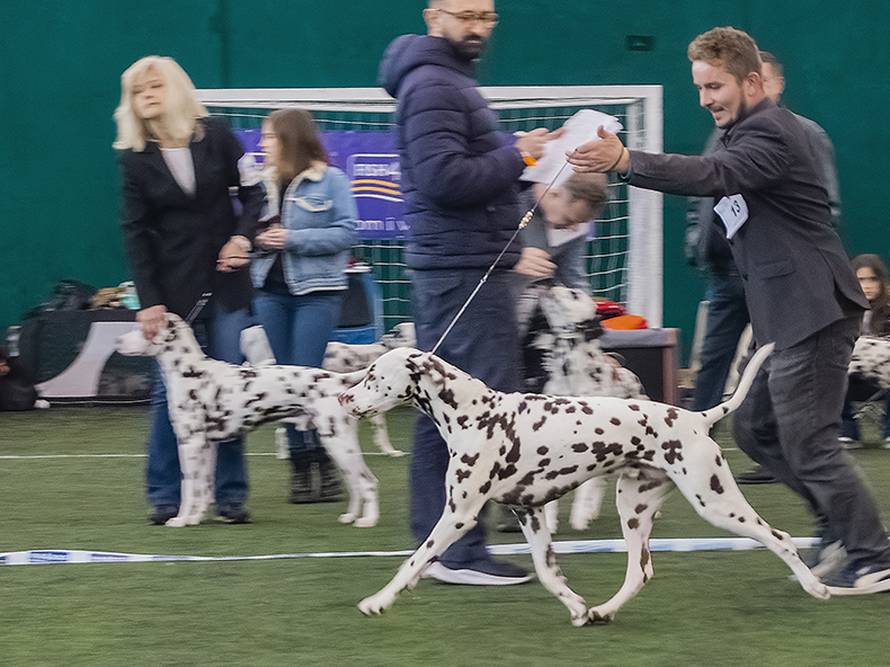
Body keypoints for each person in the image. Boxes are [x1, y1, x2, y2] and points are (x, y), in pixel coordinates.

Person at [567, 26, 890, 594]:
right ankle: (838, 529)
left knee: (810, 442)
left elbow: (713, 176)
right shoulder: (738, 131)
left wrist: (625, 160)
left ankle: (873, 555)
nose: (704, 98)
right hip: (781, 312)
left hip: (813, 309)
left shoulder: (771, 131)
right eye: (699, 87)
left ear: (753, 82)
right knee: (755, 429)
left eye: (714, 86)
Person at [378, 0, 560, 585]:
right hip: (461, 271)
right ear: (434, 15)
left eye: (487, 17)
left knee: (445, 408)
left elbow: (462, 169)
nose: (479, 27)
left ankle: (444, 547)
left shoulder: (444, 80)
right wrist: (518, 154)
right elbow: (445, 178)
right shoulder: (434, 84)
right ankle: (456, 552)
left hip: (460, 266)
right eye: (467, 15)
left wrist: (517, 154)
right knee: (478, 413)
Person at [116, 55, 263, 525]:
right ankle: (165, 494)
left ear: (176, 89)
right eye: (139, 91)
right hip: (171, 292)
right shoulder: (134, 159)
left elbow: (255, 193)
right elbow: (135, 233)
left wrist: (242, 238)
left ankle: (230, 495)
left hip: (227, 282)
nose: (147, 96)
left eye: (155, 86)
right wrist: (149, 301)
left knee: (231, 387)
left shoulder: (217, 135)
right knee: (169, 393)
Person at [684, 50, 842, 484]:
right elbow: (701, 189)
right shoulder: (723, 134)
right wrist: (697, 241)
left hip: (777, 279)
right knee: (713, 362)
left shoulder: (805, 133)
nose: (708, 98)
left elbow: (825, 206)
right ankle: (691, 447)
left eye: (715, 86)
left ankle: (776, 451)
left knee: (775, 368)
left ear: (771, 84)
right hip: (726, 273)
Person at [251, 108, 357, 503]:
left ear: (289, 140)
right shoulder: (260, 184)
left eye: (269, 137)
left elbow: (347, 233)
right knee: (282, 382)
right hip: (270, 293)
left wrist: (292, 238)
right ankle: (299, 466)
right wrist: (256, 239)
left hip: (318, 293)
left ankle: (324, 464)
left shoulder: (331, 180)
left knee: (308, 378)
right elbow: (246, 231)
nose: (262, 144)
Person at [840, 254, 890, 448]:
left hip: (884, 378)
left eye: (872, 279)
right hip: (851, 378)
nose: (867, 285)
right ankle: (847, 431)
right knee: (831, 368)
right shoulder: (841, 309)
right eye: (861, 280)